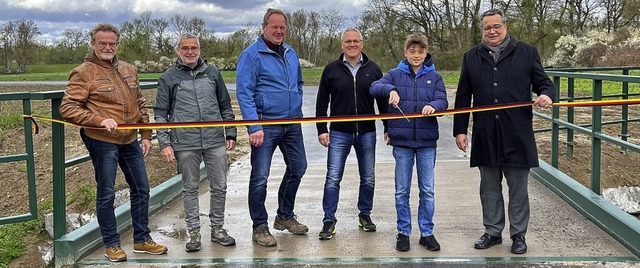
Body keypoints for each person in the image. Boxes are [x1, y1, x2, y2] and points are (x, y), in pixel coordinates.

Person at [59, 23, 167, 262]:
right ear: (93, 44)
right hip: (102, 141)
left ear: (117, 44)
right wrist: (98, 120)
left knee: (141, 188)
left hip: (129, 139)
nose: (108, 47)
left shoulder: (129, 69)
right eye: (102, 43)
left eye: (112, 43)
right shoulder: (83, 72)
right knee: (106, 193)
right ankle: (111, 243)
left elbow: (140, 104)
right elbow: (67, 108)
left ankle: (142, 239)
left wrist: (146, 135)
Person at [452, 9, 555, 255]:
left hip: (517, 133)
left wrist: (546, 95)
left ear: (505, 27)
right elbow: (463, 95)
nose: (492, 31)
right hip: (485, 132)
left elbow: (545, 83)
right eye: (487, 27)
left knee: (518, 188)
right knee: (488, 187)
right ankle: (492, 232)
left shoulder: (527, 52)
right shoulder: (471, 57)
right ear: (482, 30)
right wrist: (460, 130)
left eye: (496, 26)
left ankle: (518, 235)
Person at [154, 33, 237, 252]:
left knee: (219, 186)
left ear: (200, 50)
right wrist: (165, 143)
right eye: (185, 48)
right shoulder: (169, 77)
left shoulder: (212, 73)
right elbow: (161, 113)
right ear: (178, 51)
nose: (190, 52)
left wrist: (230, 132)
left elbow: (225, 105)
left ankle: (217, 229)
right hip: (185, 142)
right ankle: (193, 233)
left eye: (194, 48)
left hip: (214, 139)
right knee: (190, 188)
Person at [235, 8, 308, 247]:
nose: (279, 31)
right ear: (264, 27)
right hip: (265, 125)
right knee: (260, 177)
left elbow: (298, 82)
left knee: (298, 167)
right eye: (274, 26)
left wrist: (297, 108)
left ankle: (284, 216)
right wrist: (254, 125)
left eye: (282, 27)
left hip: (291, 123)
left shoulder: (291, 52)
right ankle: (260, 226)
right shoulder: (252, 54)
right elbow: (244, 92)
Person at [370, 33, 448, 252]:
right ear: (405, 52)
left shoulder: (436, 77)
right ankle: (403, 232)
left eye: (420, 51)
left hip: (426, 142)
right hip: (402, 142)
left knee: (428, 190)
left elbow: (443, 100)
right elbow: (375, 87)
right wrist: (390, 90)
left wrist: (434, 105)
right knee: (401, 190)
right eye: (412, 51)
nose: (416, 55)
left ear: (426, 53)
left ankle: (427, 232)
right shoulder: (394, 75)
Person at [315, 28, 387, 240]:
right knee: (332, 178)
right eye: (348, 41)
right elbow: (321, 102)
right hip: (339, 133)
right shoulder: (331, 70)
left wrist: (388, 128)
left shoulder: (373, 69)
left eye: (356, 41)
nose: (352, 45)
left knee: (368, 177)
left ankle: (365, 215)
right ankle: (329, 220)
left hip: (366, 133)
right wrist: (322, 129)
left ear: (362, 44)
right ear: (342, 45)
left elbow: (382, 101)